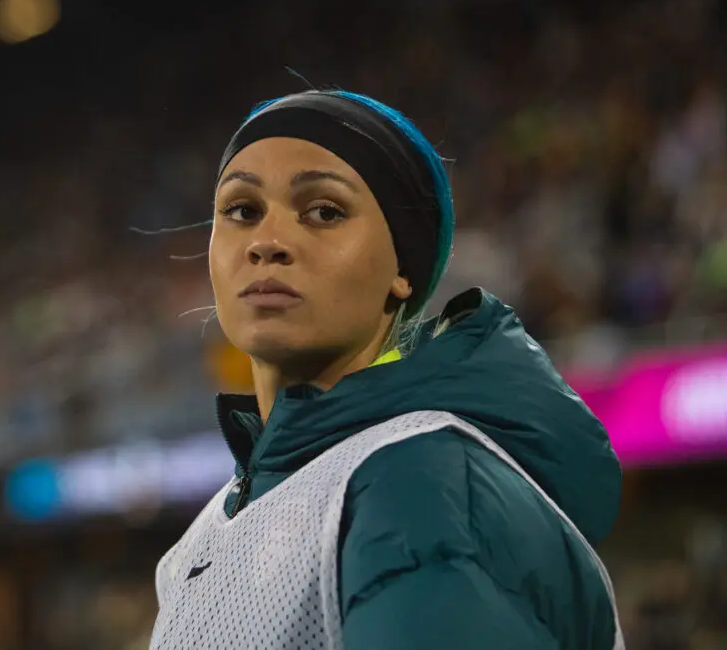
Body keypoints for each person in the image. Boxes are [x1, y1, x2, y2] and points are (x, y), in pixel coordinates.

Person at [149, 90, 624, 649]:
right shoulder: (200, 539)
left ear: (403, 268)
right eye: (242, 211)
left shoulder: (420, 481)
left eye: (324, 211)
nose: (267, 242)